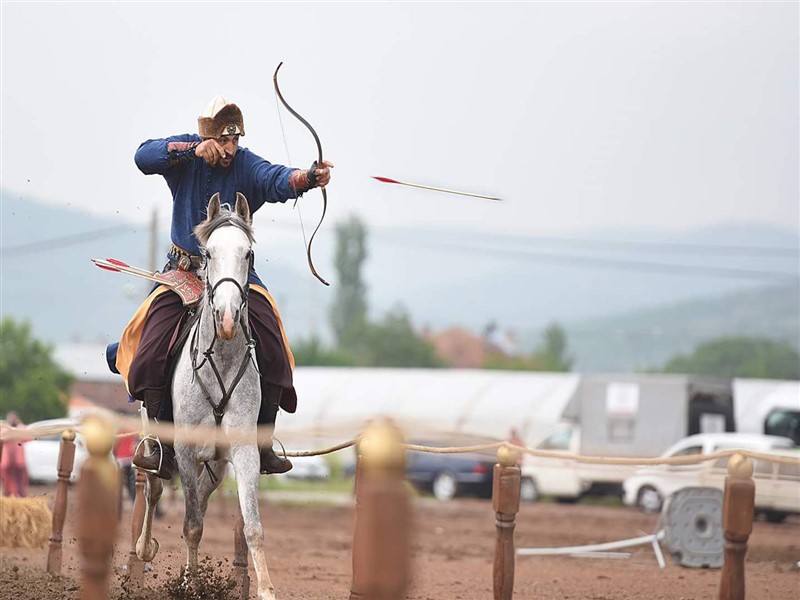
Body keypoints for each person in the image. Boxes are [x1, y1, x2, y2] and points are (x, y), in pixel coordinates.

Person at [114, 95, 333, 480]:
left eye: (236, 140)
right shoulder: (185, 156)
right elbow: (142, 157)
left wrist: (305, 178)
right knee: (149, 352)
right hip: (184, 272)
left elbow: (274, 177)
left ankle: (262, 445)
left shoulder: (245, 163)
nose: (231, 148)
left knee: (276, 350)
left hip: (234, 274)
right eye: (224, 140)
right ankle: (160, 445)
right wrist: (192, 150)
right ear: (210, 136)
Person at [1, 412, 29, 497]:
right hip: (7, 462)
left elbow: (28, 437)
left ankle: (20, 497)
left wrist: (19, 425)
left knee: (20, 483)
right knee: (7, 483)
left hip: (18, 462)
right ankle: (8, 497)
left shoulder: (20, 429)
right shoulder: (4, 429)